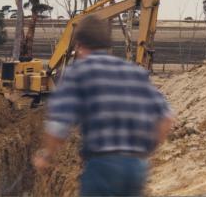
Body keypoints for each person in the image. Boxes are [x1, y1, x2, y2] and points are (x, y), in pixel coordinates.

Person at [33, 14, 174, 196]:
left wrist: (47, 156)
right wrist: (147, 151)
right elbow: (167, 117)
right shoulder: (134, 71)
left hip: (103, 168)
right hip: (137, 168)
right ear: (106, 45)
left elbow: (59, 125)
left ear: (79, 45)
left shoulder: (77, 73)